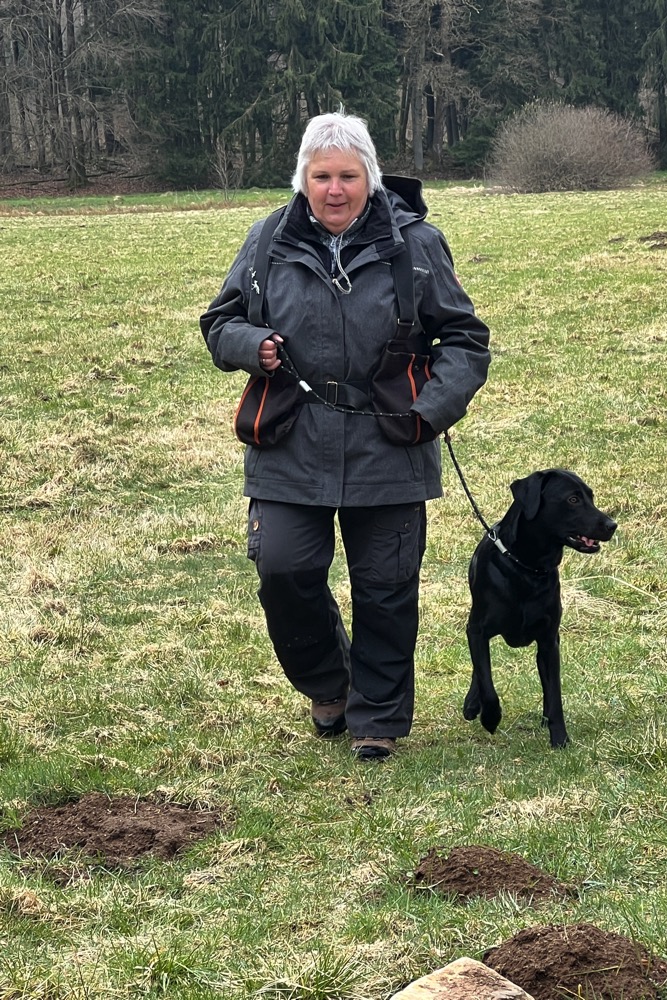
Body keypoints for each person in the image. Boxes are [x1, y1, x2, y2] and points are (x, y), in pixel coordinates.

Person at [200, 111, 490, 761]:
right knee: (283, 570)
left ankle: (377, 720)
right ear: (303, 178)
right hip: (289, 439)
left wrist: (430, 411)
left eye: (348, 176)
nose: (334, 189)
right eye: (321, 175)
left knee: (386, 588)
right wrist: (252, 345)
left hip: (390, 442)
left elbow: (465, 340)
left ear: (371, 178)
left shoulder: (418, 244)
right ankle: (329, 684)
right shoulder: (267, 239)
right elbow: (220, 323)